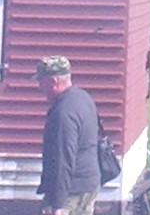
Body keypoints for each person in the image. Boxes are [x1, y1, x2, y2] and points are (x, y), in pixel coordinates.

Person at [35, 56, 100, 215]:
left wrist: (57, 204)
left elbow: (63, 160)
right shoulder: (82, 97)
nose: (39, 87)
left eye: (41, 81)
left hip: (71, 192)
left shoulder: (63, 113)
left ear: (53, 81)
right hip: (88, 184)